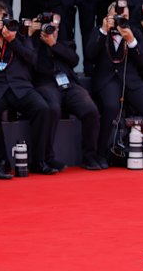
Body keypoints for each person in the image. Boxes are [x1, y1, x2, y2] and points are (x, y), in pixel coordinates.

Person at [84, 0, 143, 167]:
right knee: (111, 107)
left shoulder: (134, 32)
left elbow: (142, 60)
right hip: (107, 80)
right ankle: (100, 154)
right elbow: (89, 55)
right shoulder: (100, 31)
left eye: (124, 16)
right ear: (109, 16)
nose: (121, 19)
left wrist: (132, 41)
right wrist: (103, 30)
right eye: (117, 16)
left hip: (131, 80)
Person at [0, 0, 57, 175]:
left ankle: (38, 161)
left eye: (3, 19)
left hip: (20, 87)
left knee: (43, 108)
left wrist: (13, 41)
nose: (0, 24)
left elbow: (33, 59)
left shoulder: (20, 36)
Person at [30, 13, 104, 170]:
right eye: (49, 28)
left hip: (69, 84)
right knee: (53, 109)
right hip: (46, 83)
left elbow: (74, 59)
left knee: (90, 109)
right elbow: (34, 65)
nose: (52, 31)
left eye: (55, 29)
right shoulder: (34, 44)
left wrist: (54, 45)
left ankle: (89, 155)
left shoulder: (64, 42)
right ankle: (47, 157)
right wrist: (34, 37)